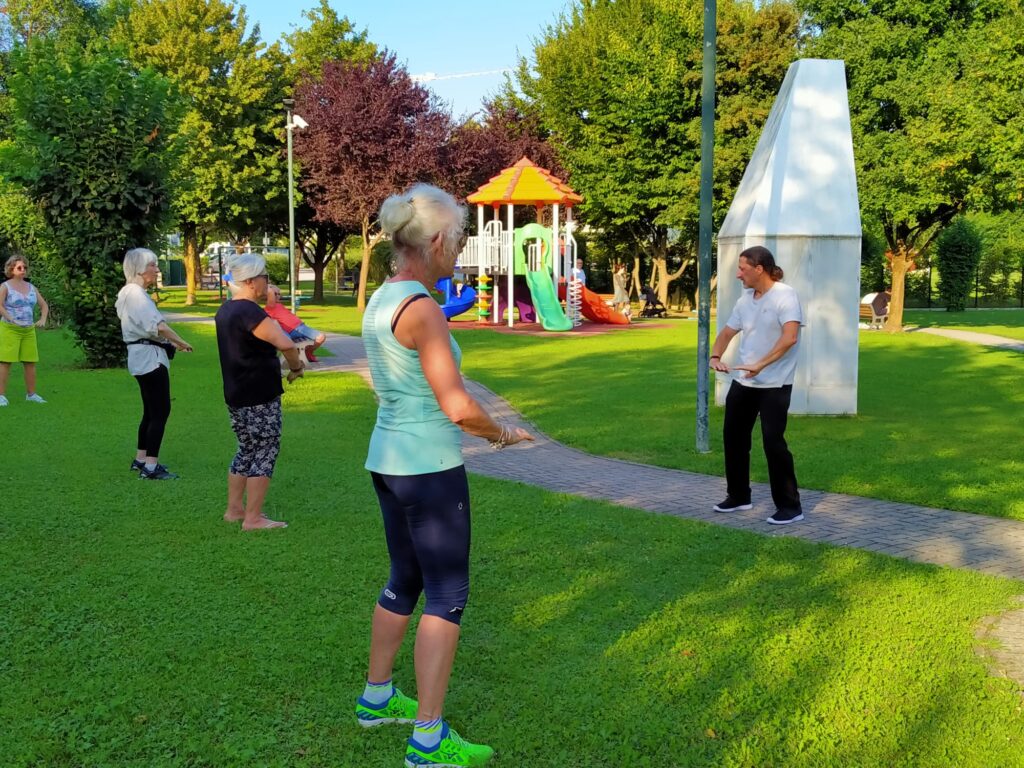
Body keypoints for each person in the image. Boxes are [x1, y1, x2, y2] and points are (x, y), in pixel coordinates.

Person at [356, 183, 532, 767]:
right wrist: (502, 436)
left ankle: (377, 697)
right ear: (433, 241)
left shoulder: (382, 299)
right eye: (455, 242)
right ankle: (427, 740)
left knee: (405, 577)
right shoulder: (423, 308)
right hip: (428, 469)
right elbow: (457, 406)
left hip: (388, 461)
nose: (457, 253)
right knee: (448, 595)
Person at [709, 245, 804, 525]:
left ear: (759, 269)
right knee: (733, 438)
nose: (739, 275)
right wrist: (715, 356)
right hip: (744, 381)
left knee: (774, 443)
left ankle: (790, 507)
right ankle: (739, 496)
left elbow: (790, 338)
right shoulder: (745, 300)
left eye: (743, 268)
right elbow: (726, 333)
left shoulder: (785, 295)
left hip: (775, 383)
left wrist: (760, 365)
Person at [215, 254, 305, 531]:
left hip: (237, 393)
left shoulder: (225, 310)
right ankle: (253, 518)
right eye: (265, 276)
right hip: (259, 394)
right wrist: (296, 366)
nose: (268, 281)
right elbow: (286, 344)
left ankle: (234, 510)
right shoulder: (250, 312)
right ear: (252, 281)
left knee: (246, 448)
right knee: (265, 450)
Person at [115, 248, 194, 480]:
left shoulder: (127, 292)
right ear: (140, 269)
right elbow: (158, 326)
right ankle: (150, 467)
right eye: (153, 265)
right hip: (150, 359)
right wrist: (181, 342)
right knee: (160, 411)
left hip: (140, 356)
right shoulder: (137, 294)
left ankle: (141, 459)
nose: (157, 270)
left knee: (150, 411)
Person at [0, 254, 50, 407]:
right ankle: (1, 395)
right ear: (11, 269)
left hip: (28, 330)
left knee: (30, 362)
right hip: (10, 329)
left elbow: (44, 305)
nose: (23, 270)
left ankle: (31, 394)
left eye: (25, 267)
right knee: (5, 361)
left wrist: (42, 319)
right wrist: (10, 318)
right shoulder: (5, 286)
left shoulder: (31, 287)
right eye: (19, 268)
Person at [264, 283, 327, 362]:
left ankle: (309, 352)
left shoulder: (279, 305)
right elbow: (269, 291)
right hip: (291, 332)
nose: (277, 296)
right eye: (275, 294)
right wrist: (267, 284)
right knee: (292, 345)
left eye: (279, 294)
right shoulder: (270, 306)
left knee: (321, 337)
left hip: (302, 328)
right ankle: (297, 361)